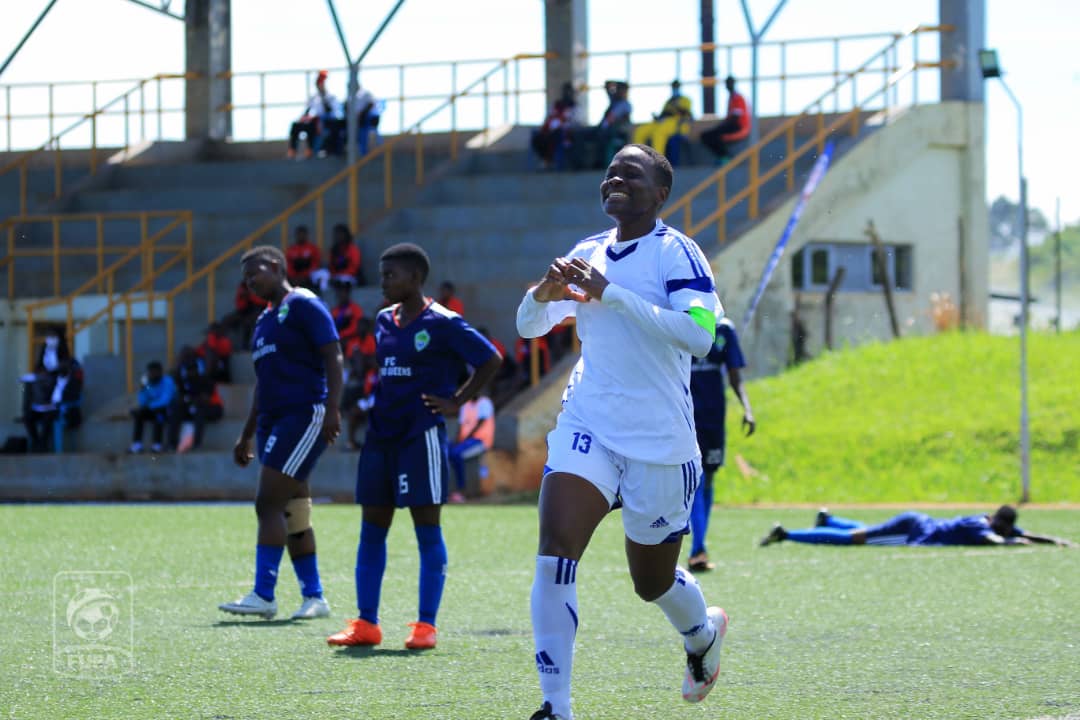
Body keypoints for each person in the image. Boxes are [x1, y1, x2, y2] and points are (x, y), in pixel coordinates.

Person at [516, 143, 729, 720]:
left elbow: (700, 334)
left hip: (661, 444)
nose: (616, 177)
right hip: (589, 426)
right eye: (611, 170)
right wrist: (544, 295)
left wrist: (611, 294)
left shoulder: (678, 253)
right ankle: (555, 706)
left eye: (630, 173)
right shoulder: (586, 252)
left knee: (651, 582)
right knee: (555, 552)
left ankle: (702, 634)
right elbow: (529, 325)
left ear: (660, 194)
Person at [327, 243, 501, 651]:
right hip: (380, 438)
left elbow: (490, 359)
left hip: (420, 435)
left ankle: (426, 626)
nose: (383, 282)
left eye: (391, 275)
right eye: (383, 274)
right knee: (371, 530)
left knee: (427, 530)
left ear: (415, 279)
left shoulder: (443, 321)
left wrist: (456, 401)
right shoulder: (383, 320)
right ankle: (366, 623)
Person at [218, 244, 344, 621]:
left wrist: (333, 407)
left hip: (303, 414)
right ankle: (315, 596)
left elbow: (333, 354)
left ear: (275, 266)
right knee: (293, 510)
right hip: (275, 420)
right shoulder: (263, 321)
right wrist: (246, 433)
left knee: (267, 504)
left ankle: (264, 594)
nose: (250, 281)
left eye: (255, 272)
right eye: (245, 278)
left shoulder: (303, 303)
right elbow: (263, 383)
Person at [686, 317, 755, 572]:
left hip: (713, 419)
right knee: (697, 480)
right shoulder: (679, 322)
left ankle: (698, 546)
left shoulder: (724, 329)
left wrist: (747, 409)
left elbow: (735, 376)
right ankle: (698, 549)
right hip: (685, 419)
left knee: (709, 480)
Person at [759, 505, 1076, 547]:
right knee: (854, 539)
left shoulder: (990, 521)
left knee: (872, 530)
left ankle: (828, 519)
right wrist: (1013, 544)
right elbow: (995, 540)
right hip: (915, 532)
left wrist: (1055, 540)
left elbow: (1025, 534)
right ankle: (788, 534)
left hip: (916, 522)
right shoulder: (982, 529)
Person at [167, 345, 220, 453]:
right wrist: (187, 400)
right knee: (176, 409)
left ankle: (197, 444)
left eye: (192, 370)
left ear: (197, 369)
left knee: (200, 411)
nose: (191, 373)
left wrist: (192, 399)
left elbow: (206, 399)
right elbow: (182, 397)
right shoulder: (184, 381)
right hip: (192, 407)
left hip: (213, 408)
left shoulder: (205, 380)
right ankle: (172, 444)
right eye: (188, 370)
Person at [447, 391, 495, 503]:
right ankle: (448, 490)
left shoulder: (485, 403)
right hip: (466, 441)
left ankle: (461, 490)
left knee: (456, 454)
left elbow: (480, 423)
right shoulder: (466, 405)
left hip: (480, 441)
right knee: (447, 450)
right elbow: (461, 425)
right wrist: (457, 441)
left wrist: (463, 440)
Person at [631, 80, 692, 162]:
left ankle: (658, 162)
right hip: (663, 122)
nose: (675, 89)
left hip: (677, 124)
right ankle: (639, 159)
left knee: (659, 133)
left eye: (676, 87)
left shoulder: (685, 100)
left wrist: (677, 106)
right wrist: (657, 117)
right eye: (673, 87)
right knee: (640, 131)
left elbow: (688, 114)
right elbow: (664, 114)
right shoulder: (668, 101)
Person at [288, 70, 342, 159]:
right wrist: (303, 119)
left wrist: (322, 95)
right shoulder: (313, 97)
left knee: (314, 126)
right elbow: (307, 110)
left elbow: (330, 111)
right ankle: (293, 150)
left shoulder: (331, 97)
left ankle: (313, 150)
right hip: (315, 121)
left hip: (327, 121)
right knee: (296, 125)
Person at [129, 360, 176, 454]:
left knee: (159, 415)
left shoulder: (167, 381)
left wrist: (150, 407)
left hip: (168, 411)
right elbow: (142, 402)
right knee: (139, 414)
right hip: (152, 409)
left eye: (155, 372)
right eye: (150, 372)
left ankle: (157, 444)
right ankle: (137, 445)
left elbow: (165, 400)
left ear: (160, 372)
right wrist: (143, 390)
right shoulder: (148, 384)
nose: (153, 374)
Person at [531, 82, 581, 170]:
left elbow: (574, 122)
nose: (567, 94)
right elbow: (550, 117)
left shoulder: (575, 106)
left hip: (564, 132)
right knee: (537, 139)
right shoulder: (557, 105)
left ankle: (554, 162)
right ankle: (546, 160)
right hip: (551, 131)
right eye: (565, 91)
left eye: (569, 92)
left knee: (556, 137)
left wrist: (562, 124)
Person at [701, 76, 750, 164]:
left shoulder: (738, 98)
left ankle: (726, 157)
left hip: (738, 127)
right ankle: (724, 156)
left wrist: (721, 126)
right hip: (731, 125)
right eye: (727, 84)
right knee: (706, 136)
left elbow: (735, 118)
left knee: (716, 136)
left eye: (729, 83)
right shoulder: (731, 98)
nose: (728, 86)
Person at [587, 80, 633, 169]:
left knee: (604, 137)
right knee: (584, 134)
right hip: (602, 129)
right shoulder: (614, 101)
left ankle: (600, 164)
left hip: (614, 131)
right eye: (618, 89)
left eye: (622, 90)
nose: (619, 92)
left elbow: (624, 122)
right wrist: (616, 83)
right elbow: (607, 85)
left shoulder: (626, 105)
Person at [312, 224, 364, 291]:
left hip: (350, 277)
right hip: (336, 276)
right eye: (336, 234)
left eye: (340, 234)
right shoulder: (334, 250)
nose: (338, 236)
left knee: (343, 280)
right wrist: (333, 275)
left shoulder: (353, 249)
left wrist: (339, 275)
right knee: (320, 274)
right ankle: (324, 293)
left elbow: (354, 268)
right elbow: (331, 267)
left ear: (346, 235)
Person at [222, 278, 269, 350]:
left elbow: (264, 302)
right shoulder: (243, 285)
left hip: (261, 310)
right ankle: (234, 347)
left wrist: (250, 296)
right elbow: (239, 306)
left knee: (252, 321)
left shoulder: (262, 284)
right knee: (227, 320)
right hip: (246, 312)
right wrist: (244, 297)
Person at [285, 225, 321, 291]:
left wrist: (306, 275)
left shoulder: (313, 248)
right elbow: (288, 265)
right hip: (294, 278)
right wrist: (294, 277)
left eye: (303, 234)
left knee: (320, 275)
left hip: (308, 278)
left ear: (306, 235)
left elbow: (316, 263)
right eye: (299, 234)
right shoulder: (291, 249)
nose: (301, 236)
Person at [330, 282, 364, 348]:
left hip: (351, 339)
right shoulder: (334, 310)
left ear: (348, 294)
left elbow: (356, 327)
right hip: (337, 339)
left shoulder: (355, 309)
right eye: (339, 292)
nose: (341, 295)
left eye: (343, 292)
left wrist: (341, 335)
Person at [352, 83, 382, 156]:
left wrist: (362, 114)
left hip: (370, 118)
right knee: (359, 132)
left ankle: (366, 151)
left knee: (364, 131)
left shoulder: (366, 93)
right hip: (361, 119)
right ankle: (362, 151)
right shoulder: (354, 97)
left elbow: (371, 104)